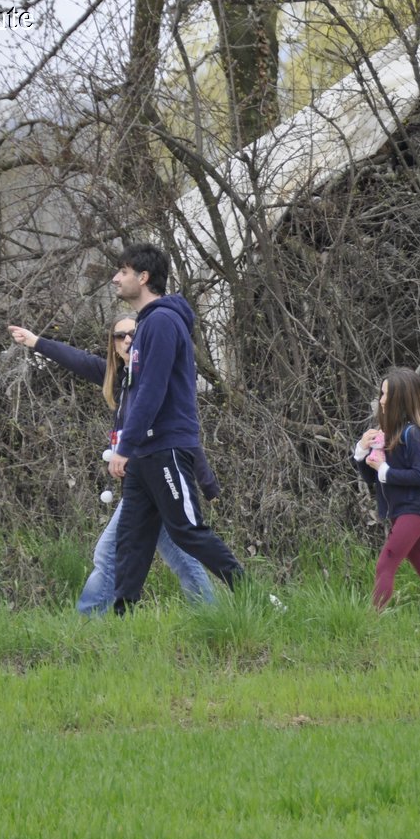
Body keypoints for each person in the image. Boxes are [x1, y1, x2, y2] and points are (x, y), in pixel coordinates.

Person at [7, 316, 218, 614]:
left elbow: (182, 433)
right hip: (142, 486)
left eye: (135, 334)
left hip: (157, 479)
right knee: (183, 557)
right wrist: (36, 342)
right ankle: (214, 616)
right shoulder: (119, 379)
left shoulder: (152, 381)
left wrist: (206, 481)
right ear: (114, 343)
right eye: (120, 336)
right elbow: (77, 359)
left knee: (109, 552)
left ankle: (90, 620)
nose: (128, 340)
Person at [104, 243, 246, 612]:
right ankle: (122, 618)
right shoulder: (146, 324)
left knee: (187, 530)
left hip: (165, 446)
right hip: (144, 453)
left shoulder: (163, 322)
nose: (116, 278)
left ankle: (253, 596)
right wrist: (132, 447)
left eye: (123, 271)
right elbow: (137, 391)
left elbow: (152, 391)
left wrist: (124, 445)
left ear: (144, 277)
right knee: (132, 538)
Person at [352, 367, 420, 616]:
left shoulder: (412, 434)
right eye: (381, 394)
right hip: (401, 512)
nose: (380, 400)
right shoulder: (387, 435)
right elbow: (372, 477)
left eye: (385, 395)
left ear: (399, 400)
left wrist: (384, 470)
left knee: (385, 563)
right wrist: (361, 451)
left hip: (416, 510)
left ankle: (368, 622)